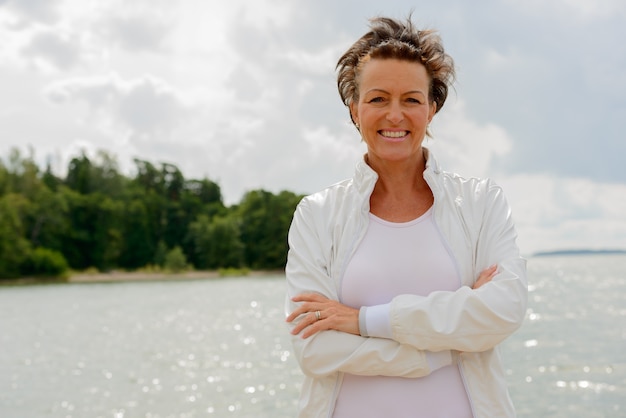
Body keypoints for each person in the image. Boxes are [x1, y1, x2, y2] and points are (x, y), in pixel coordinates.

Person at [285, 15, 527, 418]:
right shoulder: (317, 215)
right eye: (378, 98)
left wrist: (362, 321)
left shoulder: (482, 203)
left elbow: (503, 310)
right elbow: (313, 348)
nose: (395, 115)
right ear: (354, 110)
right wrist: (440, 352)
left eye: (411, 100)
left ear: (431, 110)